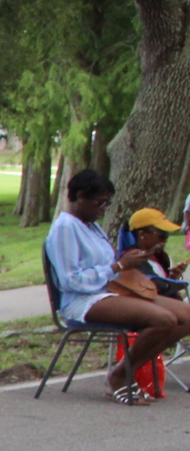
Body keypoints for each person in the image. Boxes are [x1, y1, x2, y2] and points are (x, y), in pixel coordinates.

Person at [44, 170, 190, 403]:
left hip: (108, 292)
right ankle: (120, 376)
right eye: (100, 202)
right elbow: (70, 280)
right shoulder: (66, 228)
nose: (104, 208)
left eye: (107, 203)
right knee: (163, 320)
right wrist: (118, 266)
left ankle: (128, 367)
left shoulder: (92, 226)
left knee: (186, 315)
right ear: (80, 196)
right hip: (83, 301)